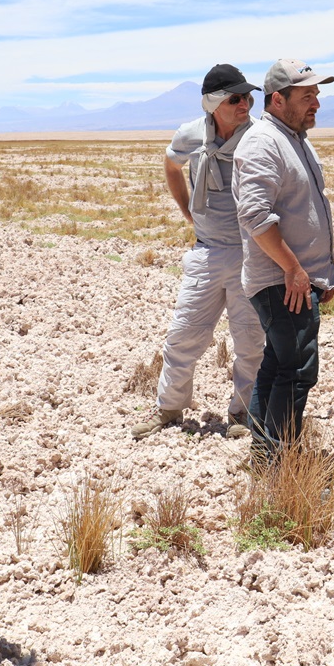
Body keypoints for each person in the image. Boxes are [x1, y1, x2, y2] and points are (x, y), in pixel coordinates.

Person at [132, 65, 266, 440]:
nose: (245, 104)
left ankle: (243, 414)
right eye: (235, 98)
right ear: (212, 104)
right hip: (206, 253)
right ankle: (169, 409)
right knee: (183, 335)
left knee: (250, 342)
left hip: (251, 255)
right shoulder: (191, 134)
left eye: (247, 97)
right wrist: (187, 211)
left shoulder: (259, 137)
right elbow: (172, 164)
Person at [233, 58, 334, 462]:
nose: (316, 103)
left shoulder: (294, 138)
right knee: (296, 372)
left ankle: (264, 458)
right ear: (278, 99)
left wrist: (320, 276)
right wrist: (294, 271)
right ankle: (280, 465)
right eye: (306, 95)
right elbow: (255, 216)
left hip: (296, 281)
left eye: (317, 95)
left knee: (278, 367)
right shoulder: (263, 142)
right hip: (281, 282)